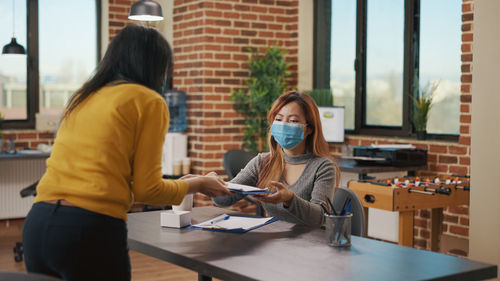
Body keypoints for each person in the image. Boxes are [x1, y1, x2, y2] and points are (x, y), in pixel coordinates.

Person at [22, 24, 231, 281]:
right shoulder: (148, 100)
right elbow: (148, 191)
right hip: (89, 230)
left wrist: (183, 183)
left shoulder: (85, 96)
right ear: (155, 66)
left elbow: (108, 173)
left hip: (38, 224)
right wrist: (199, 184)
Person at [213, 91, 339, 227]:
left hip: (311, 244)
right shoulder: (263, 162)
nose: (284, 125)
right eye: (278, 119)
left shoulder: (323, 166)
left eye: (293, 121)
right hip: (273, 242)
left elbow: (319, 218)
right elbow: (224, 200)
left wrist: (290, 199)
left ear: (309, 129)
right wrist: (210, 185)